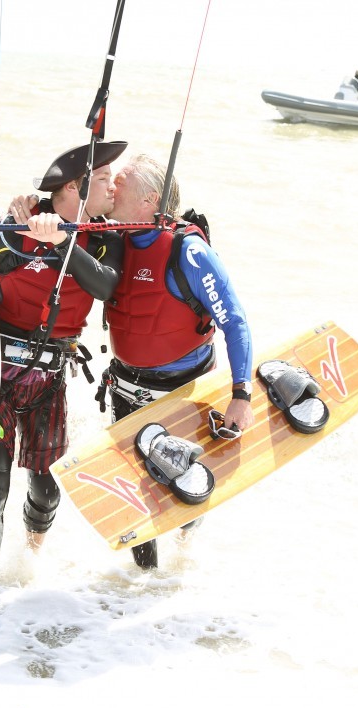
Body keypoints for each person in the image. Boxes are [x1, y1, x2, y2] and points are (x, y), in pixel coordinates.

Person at [0, 140, 127, 579]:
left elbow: (105, 287)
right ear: (76, 187)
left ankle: (31, 557)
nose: (113, 187)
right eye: (102, 179)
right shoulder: (11, 234)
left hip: (49, 384)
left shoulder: (104, 241)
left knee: (47, 492)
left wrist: (61, 241)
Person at [99, 153, 254, 570]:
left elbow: (234, 321)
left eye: (122, 180)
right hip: (126, 391)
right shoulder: (109, 240)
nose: (112, 186)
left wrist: (242, 394)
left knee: (184, 489)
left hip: (184, 394)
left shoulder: (189, 252)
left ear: (150, 199)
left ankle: (185, 561)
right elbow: (59, 210)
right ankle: (144, 580)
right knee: (136, 493)